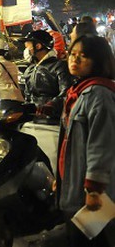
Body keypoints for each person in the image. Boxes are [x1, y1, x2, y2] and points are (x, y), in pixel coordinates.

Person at [59, 35, 115, 246]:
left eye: (83, 56)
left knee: (91, 238)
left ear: (99, 61)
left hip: (92, 192)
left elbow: (101, 145)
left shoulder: (99, 94)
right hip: (76, 184)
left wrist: (94, 189)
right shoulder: (79, 91)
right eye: (73, 54)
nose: (75, 60)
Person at [22, 29, 74, 120]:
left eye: (28, 47)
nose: (26, 51)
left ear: (38, 46)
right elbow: (27, 96)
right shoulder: (30, 69)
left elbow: (67, 92)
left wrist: (51, 105)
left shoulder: (59, 66)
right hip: (33, 120)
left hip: (54, 122)